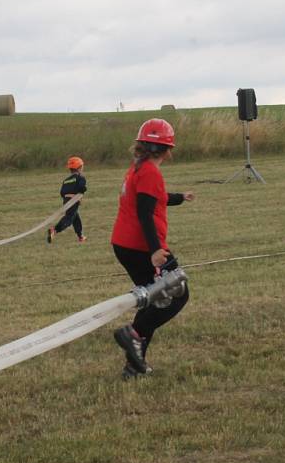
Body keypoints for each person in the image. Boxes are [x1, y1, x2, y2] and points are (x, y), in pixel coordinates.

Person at [109, 118, 195, 379]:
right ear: (167, 149)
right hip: (142, 246)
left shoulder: (138, 168)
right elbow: (145, 213)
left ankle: (134, 366)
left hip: (125, 244)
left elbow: (155, 198)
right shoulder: (149, 172)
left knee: (156, 300)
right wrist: (156, 251)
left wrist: (181, 197)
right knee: (177, 294)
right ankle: (132, 336)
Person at [47, 156, 88, 244]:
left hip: (66, 200)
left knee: (76, 217)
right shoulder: (81, 177)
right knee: (69, 219)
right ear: (79, 167)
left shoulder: (66, 180)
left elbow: (62, 192)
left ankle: (80, 236)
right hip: (74, 201)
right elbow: (82, 188)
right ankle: (55, 230)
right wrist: (84, 189)